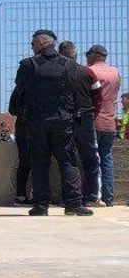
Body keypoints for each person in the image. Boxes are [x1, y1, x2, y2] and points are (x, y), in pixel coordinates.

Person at [12, 30, 90, 216]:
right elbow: (76, 90)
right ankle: (73, 204)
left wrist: (19, 111)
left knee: (39, 162)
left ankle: (41, 206)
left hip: (37, 121)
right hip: (63, 121)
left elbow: (20, 89)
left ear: (40, 43)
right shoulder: (69, 64)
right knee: (68, 161)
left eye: (33, 44)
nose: (32, 48)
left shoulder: (28, 65)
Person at [60, 41, 102, 206]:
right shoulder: (86, 71)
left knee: (66, 158)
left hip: (64, 119)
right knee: (90, 158)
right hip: (85, 118)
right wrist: (92, 113)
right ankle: (91, 196)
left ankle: (69, 197)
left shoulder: (57, 73)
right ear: (76, 55)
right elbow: (98, 95)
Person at [86, 45, 121, 205]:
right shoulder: (115, 72)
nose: (86, 57)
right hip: (110, 121)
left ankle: (93, 196)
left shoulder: (89, 71)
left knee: (91, 159)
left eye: (88, 54)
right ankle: (108, 197)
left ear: (94, 55)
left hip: (93, 121)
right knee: (106, 158)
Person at [9, 84, 32, 204]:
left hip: (25, 127)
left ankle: (22, 195)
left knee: (25, 161)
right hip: (33, 126)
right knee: (35, 161)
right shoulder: (45, 83)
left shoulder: (20, 87)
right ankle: (34, 194)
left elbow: (12, 109)